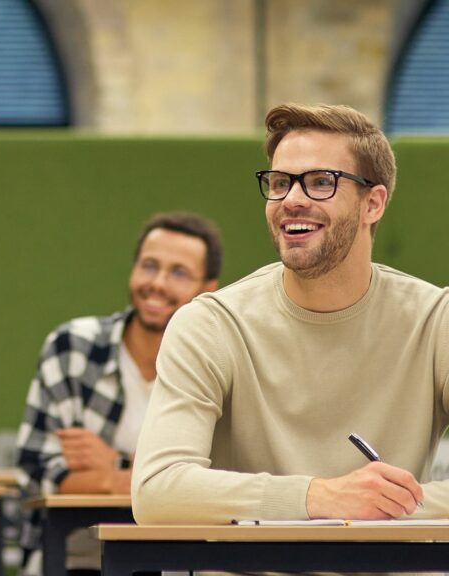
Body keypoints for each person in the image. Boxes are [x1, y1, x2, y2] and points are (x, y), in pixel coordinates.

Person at [133, 103, 449, 525]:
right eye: (280, 183)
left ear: (373, 204)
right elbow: (157, 490)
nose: (292, 200)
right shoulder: (210, 325)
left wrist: (376, 504)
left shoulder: (436, 321)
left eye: (321, 182)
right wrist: (320, 497)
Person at [16, 212, 223, 574]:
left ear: (208, 290)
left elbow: (217, 490)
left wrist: (112, 465)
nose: (157, 283)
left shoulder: (217, 365)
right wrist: (149, 478)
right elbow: (39, 476)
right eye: (149, 266)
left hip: (180, 564)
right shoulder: (73, 348)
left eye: (179, 273)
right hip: (75, 561)